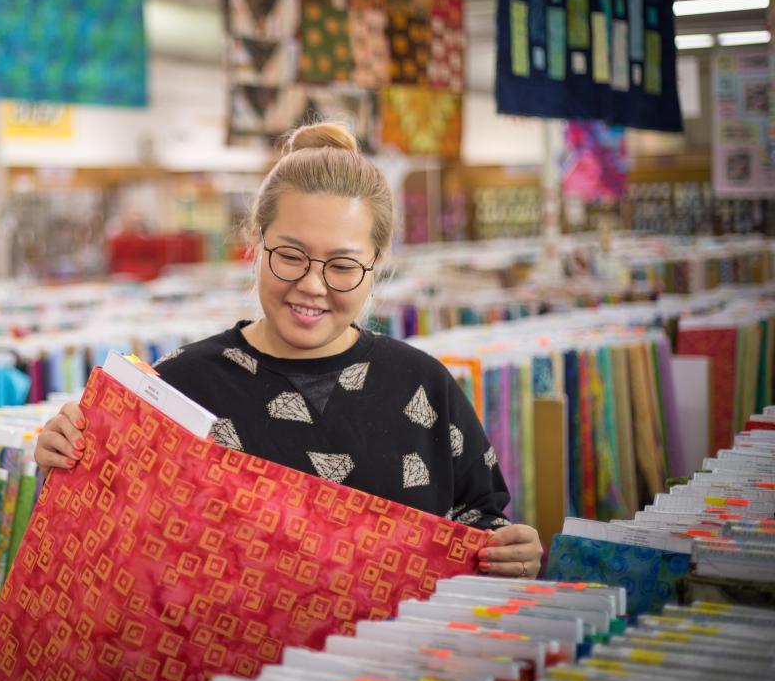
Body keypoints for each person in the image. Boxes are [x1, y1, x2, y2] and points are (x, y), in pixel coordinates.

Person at [36, 122, 544, 578]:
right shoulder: (178, 391)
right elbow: (105, 543)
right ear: (256, 243)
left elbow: (481, 517)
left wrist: (510, 552)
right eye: (290, 256)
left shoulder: (424, 387)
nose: (312, 285)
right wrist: (63, 462)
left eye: (342, 266)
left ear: (377, 263)